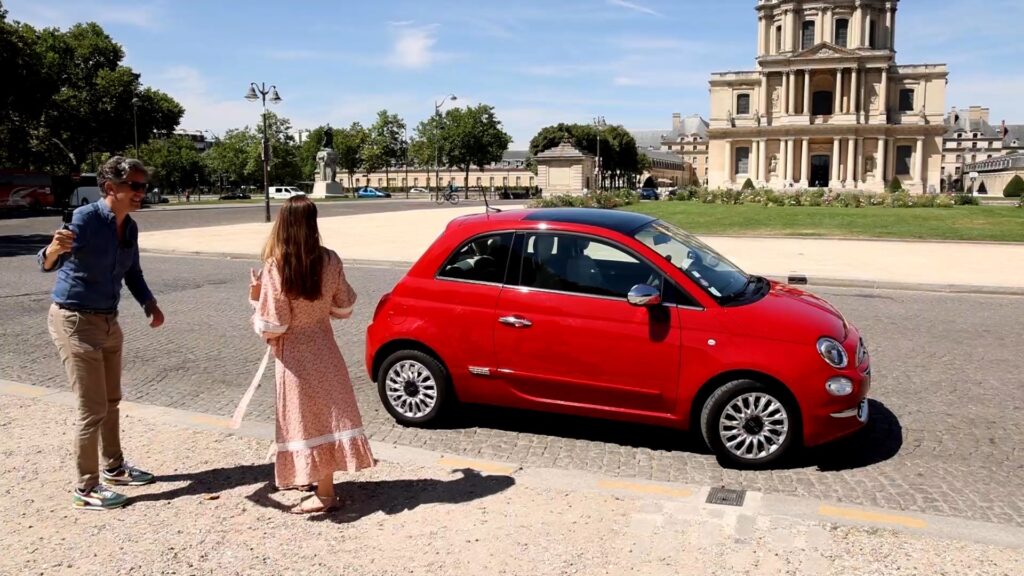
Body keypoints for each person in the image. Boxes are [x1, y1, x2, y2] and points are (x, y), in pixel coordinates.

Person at [39, 156, 165, 511]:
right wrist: (52, 250)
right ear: (111, 188)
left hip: (109, 321)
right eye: (136, 187)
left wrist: (149, 304)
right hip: (74, 322)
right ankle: (86, 487)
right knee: (91, 408)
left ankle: (115, 467)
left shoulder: (130, 227)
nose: (143, 193)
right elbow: (47, 261)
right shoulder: (84, 219)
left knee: (111, 401)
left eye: (144, 186)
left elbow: (133, 273)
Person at [250, 195, 374, 514]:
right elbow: (343, 307)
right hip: (324, 347)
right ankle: (319, 483)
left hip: (294, 356)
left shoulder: (277, 266)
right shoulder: (330, 259)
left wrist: (255, 298)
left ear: (284, 224)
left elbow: (273, 324)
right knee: (328, 417)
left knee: (303, 419)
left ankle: (325, 494)